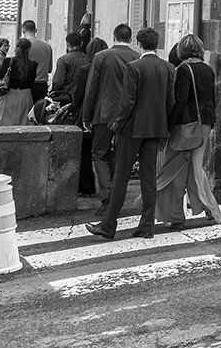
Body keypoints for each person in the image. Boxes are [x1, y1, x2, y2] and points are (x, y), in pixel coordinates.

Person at [86, 27, 175, 240]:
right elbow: (170, 102)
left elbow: (127, 102)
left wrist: (117, 125)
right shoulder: (168, 68)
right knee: (149, 178)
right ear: (157, 43)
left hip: (132, 129)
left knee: (121, 178)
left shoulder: (134, 67)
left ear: (139, 43)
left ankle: (108, 225)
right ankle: (146, 226)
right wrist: (164, 126)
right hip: (155, 128)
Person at [155, 34, 221, 229]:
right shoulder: (208, 70)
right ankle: (210, 207)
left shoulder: (183, 70)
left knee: (175, 171)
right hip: (204, 125)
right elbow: (211, 99)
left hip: (185, 127)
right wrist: (211, 122)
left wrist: (168, 126)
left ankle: (176, 216)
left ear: (181, 51)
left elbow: (180, 101)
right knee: (196, 168)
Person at [82, 24, 139, 213]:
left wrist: (87, 116)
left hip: (104, 112)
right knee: (119, 155)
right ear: (130, 39)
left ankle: (107, 195)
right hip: (129, 114)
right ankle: (116, 196)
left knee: (99, 153)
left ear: (114, 37)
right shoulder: (137, 57)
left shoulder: (101, 57)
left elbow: (92, 89)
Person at [71, 38, 108, 196]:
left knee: (85, 152)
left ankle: (87, 186)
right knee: (105, 152)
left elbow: (78, 96)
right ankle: (108, 186)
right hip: (106, 115)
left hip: (89, 114)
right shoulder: (110, 68)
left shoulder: (85, 69)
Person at [0, 38, 37, 127]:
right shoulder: (33, 64)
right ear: (29, 49)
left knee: (2, 122)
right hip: (25, 95)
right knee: (24, 123)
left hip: (8, 94)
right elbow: (32, 83)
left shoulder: (8, 61)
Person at [51, 32, 90, 105]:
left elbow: (57, 82)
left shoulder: (63, 60)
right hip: (84, 97)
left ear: (67, 44)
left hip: (66, 97)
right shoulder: (88, 59)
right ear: (81, 43)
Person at [20, 20, 53, 103]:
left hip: (27, 84)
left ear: (23, 31)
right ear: (35, 30)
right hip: (42, 84)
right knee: (38, 112)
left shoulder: (23, 46)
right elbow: (49, 69)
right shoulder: (47, 46)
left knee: (25, 111)